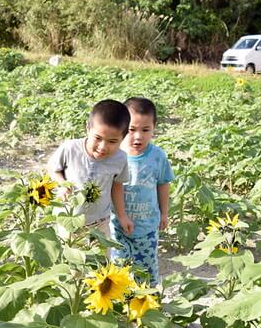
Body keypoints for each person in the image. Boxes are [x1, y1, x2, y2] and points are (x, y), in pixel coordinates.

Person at [110, 97, 174, 286]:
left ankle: (149, 307)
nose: (138, 136)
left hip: (147, 228)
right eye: (131, 130)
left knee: (147, 273)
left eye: (145, 130)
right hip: (117, 227)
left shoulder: (157, 156)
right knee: (117, 271)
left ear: (154, 128)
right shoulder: (115, 154)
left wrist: (164, 213)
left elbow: (163, 184)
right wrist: (120, 216)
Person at [48, 99, 134, 238]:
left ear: (123, 138)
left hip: (100, 222)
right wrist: (62, 185)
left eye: (112, 141)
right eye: (98, 138)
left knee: (101, 258)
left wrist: (122, 216)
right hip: (68, 217)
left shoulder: (120, 159)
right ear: (88, 128)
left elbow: (117, 186)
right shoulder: (70, 148)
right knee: (69, 256)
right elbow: (53, 169)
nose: (103, 147)